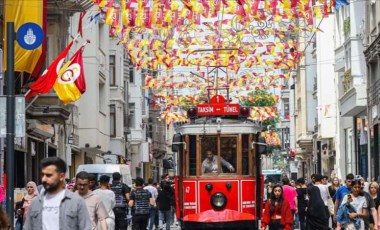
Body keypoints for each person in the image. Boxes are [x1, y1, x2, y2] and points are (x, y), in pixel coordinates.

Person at [24, 157, 92, 230]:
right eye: (42, 175)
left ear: (61, 176)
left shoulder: (76, 202)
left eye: (48, 175)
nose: (44, 179)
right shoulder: (36, 202)